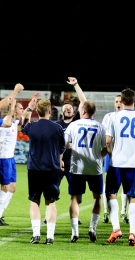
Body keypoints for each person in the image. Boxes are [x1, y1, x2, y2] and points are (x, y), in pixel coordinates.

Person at [106, 88, 135, 246]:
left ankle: (116, 228)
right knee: (134, 197)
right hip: (134, 163)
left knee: (111, 194)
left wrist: (112, 153)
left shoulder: (114, 117)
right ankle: (132, 232)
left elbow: (108, 141)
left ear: (122, 101)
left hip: (116, 162)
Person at [65, 77, 107, 243]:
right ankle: (92, 227)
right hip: (95, 167)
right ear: (93, 113)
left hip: (77, 167)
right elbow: (107, 147)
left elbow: (65, 144)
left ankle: (75, 232)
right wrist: (98, 156)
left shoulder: (73, 125)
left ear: (82, 111)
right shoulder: (100, 126)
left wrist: (73, 148)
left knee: (74, 198)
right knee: (97, 198)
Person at [22, 98, 66, 245]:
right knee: (51, 202)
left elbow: (23, 125)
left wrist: (29, 109)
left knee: (35, 201)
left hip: (34, 169)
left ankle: (35, 235)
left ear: (37, 111)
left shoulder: (32, 127)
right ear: (49, 112)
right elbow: (62, 147)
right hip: (52, 169)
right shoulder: (57, 128)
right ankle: (50, 237)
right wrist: (59, 159)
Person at [0, 91, 38, 226]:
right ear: (14, 110)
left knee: (12, 188)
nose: (22, 110)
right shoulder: (6, 121)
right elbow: (9, 120)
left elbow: (24, 119)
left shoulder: (15, 121)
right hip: (3, 159)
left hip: (10, 159)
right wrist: (12, 105)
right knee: (5, 188)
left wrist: (31, 107)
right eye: (20, 108)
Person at [101, 95, 129, 225]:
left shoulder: (129, 117)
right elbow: (104, 136)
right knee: (109, 183)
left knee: (125, 184)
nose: (118, 103)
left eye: (121, 101)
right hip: (111, 154)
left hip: (125, 154)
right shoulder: (108, 117)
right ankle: (107, 211)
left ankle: (123, 211)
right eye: (116, 101)